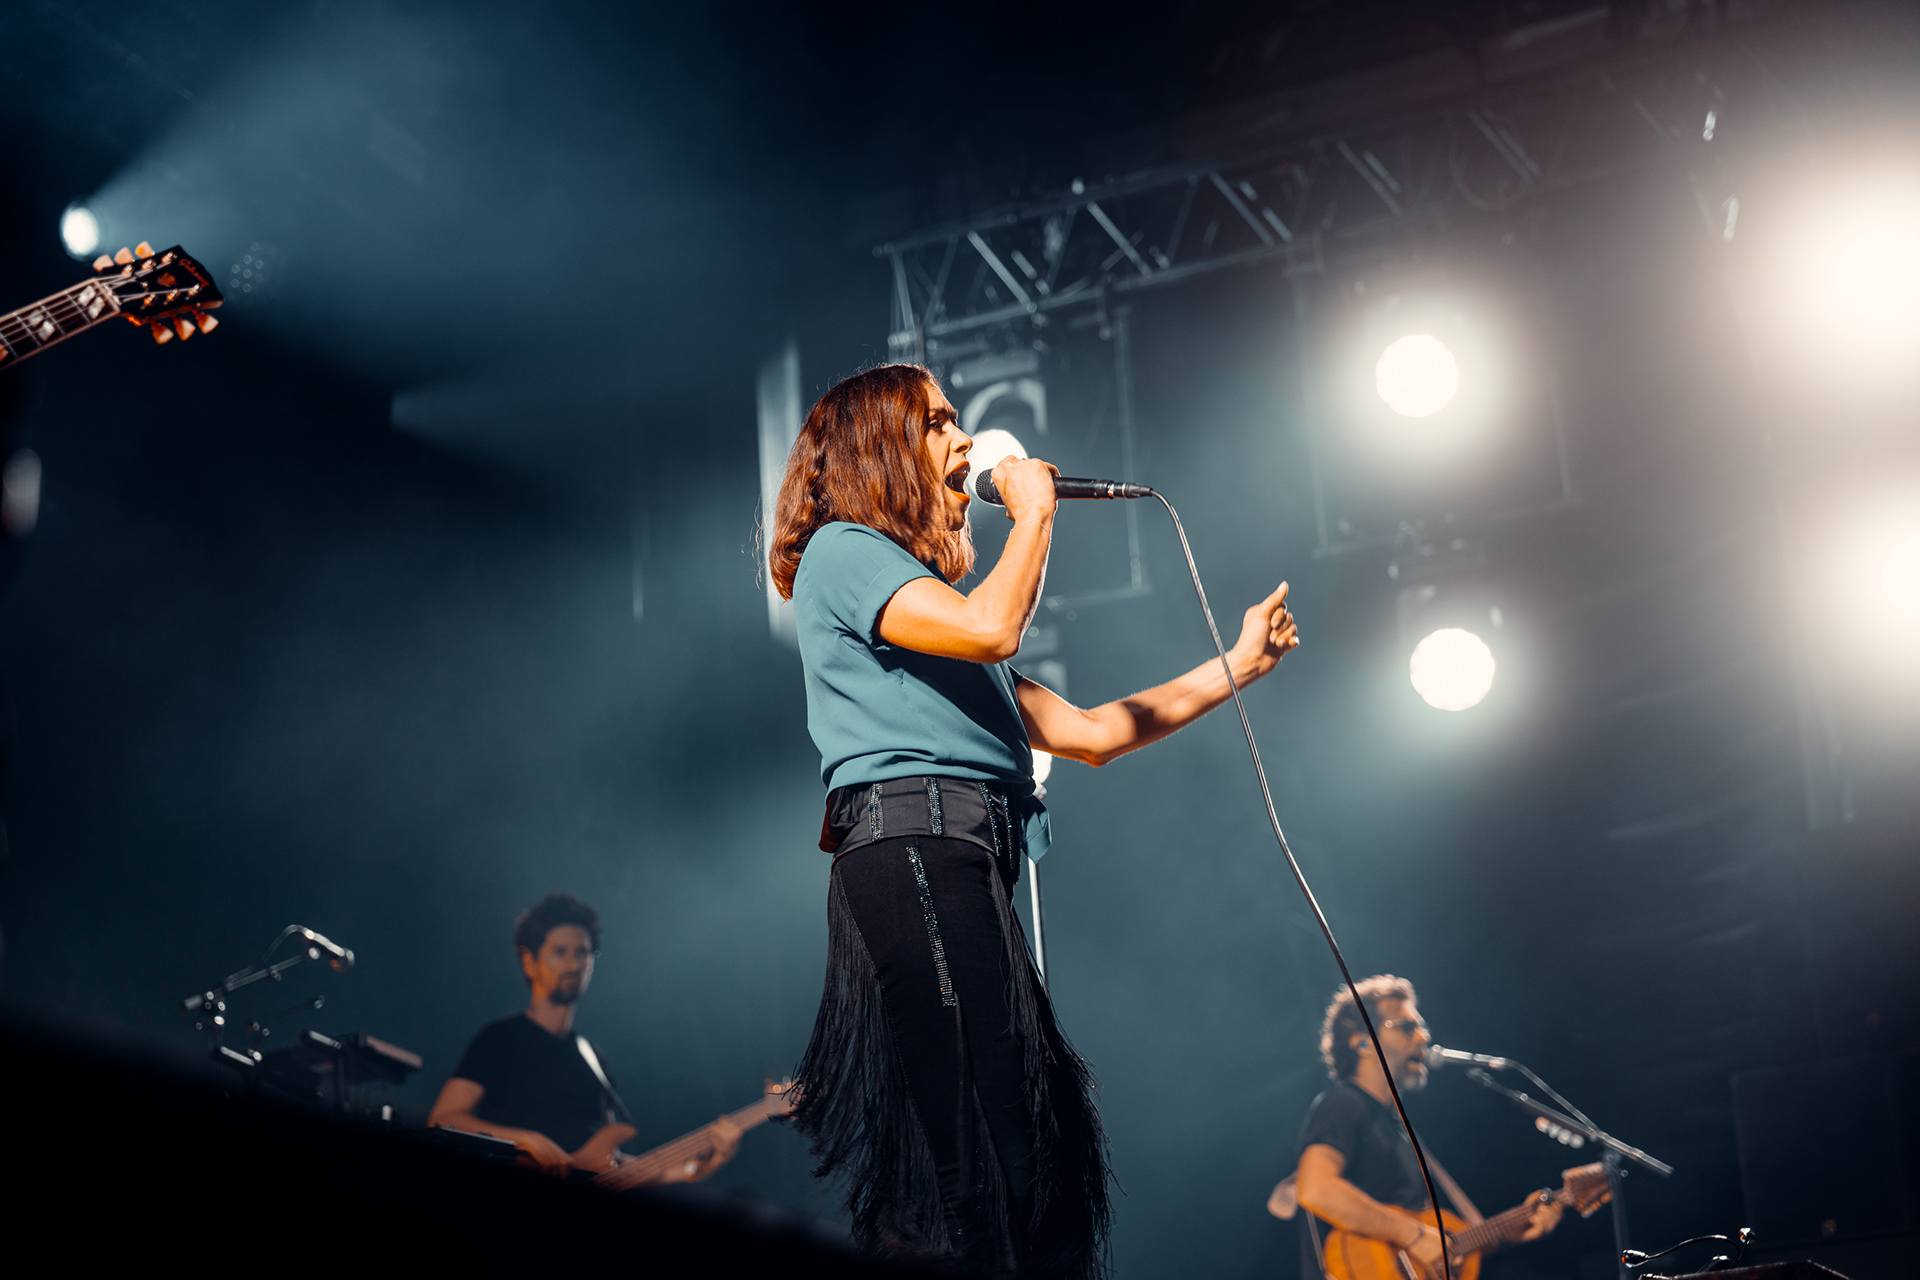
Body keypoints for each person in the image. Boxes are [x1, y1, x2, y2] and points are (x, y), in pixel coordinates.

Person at [767, 364, 1300, 1278]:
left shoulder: (931, 625)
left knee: (1022, 1131)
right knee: (983, 1133)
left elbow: (1094, 734)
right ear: (879, 449)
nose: (965, 440)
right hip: (916, 845)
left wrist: (1240, 665)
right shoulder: (844, 551)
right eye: (938, 422)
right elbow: (993, 628)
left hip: (963, 854)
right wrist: (1035, 513)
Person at [428, 892, 741, 1181]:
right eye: (559, 952)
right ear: (529, 961)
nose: (574, 964)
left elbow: (610, 1164)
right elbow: (443, 1119)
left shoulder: (593, 1058)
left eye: (583, 952)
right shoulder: (499, 1039)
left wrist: (694, 1168)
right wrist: (524, 1140)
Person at [1283, 976, 1563, 1279]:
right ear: (1360, 1041)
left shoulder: (1400, 1130)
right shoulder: (1342, 1104)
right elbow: (1316, 1188)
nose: (1423, 1037)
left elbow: (1446, 1245)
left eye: (1421, 1027)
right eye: (1407, 1027)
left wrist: (1516, 1229)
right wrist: (1413, 1234)